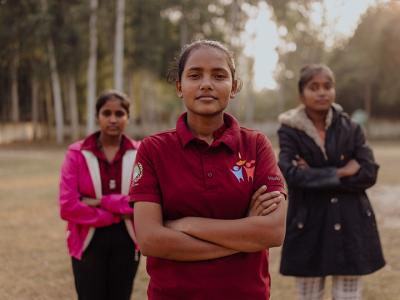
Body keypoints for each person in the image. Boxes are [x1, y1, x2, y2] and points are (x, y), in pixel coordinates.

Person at [130, 40, 287, 300]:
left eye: (219, 75)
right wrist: (244, 234)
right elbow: (150, 240)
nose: (206, 83)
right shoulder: (153, 149)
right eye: (194, 75)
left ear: (234, 86)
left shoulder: (256, 145)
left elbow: (272, 232)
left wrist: (187, 225)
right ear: (179, 87)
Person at [277, 64, 385, 300]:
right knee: (308, 296)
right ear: (301, 93)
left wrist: (315, 174)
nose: (322, 92)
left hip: (350, 222)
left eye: (327, 86)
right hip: (308, 224)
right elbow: (292, 175)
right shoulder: (289, 131)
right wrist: (341, 173)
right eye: (313, 87)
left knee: (348, 296)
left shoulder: (352, 127)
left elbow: (369, 172)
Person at [59, 90, 141, 300]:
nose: (113, 119)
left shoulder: (141, 153)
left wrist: (101, 202)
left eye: (120, 113)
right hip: (87, 242)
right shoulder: (76, 153)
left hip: (128, 240)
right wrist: (115, 214)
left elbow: (142, 203)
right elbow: (68, 206)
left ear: (128, 117)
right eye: (107, 113)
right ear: (97, 117)